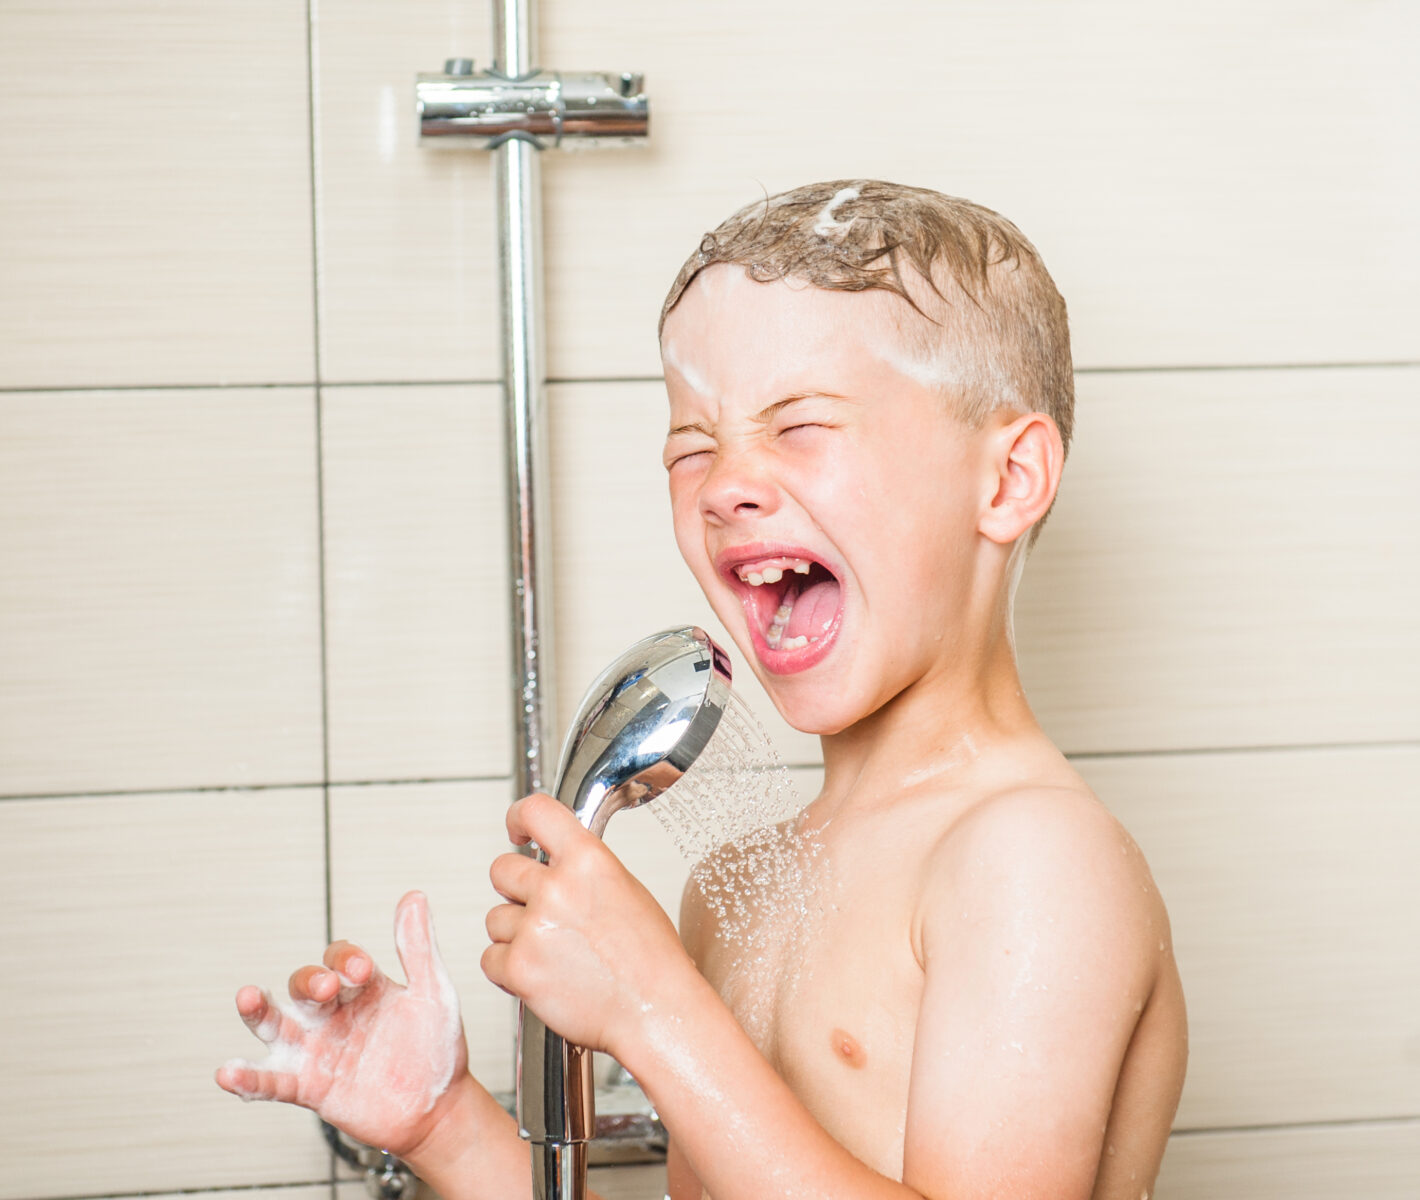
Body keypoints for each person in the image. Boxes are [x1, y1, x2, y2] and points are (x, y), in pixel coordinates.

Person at [216, 179, 1188, 1200]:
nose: (725, 484)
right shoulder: (741, 889)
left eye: (800, 426)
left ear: (1005, 481)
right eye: (691, 445)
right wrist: (448, 1130)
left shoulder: (1033, 857)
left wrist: (649, 1003)